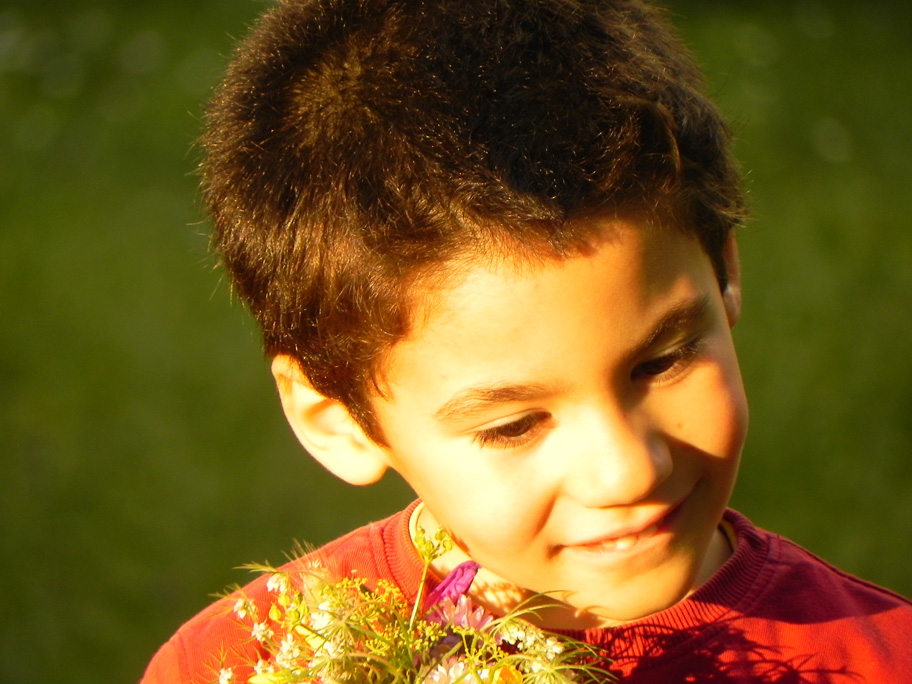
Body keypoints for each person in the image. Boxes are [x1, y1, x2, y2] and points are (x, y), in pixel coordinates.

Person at [142, 0, 912, 681]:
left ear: (724, 276)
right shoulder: (243, 670)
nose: (626, 471)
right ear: (335, 421)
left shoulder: (881, 660)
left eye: (664, 360)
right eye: (513, 424)